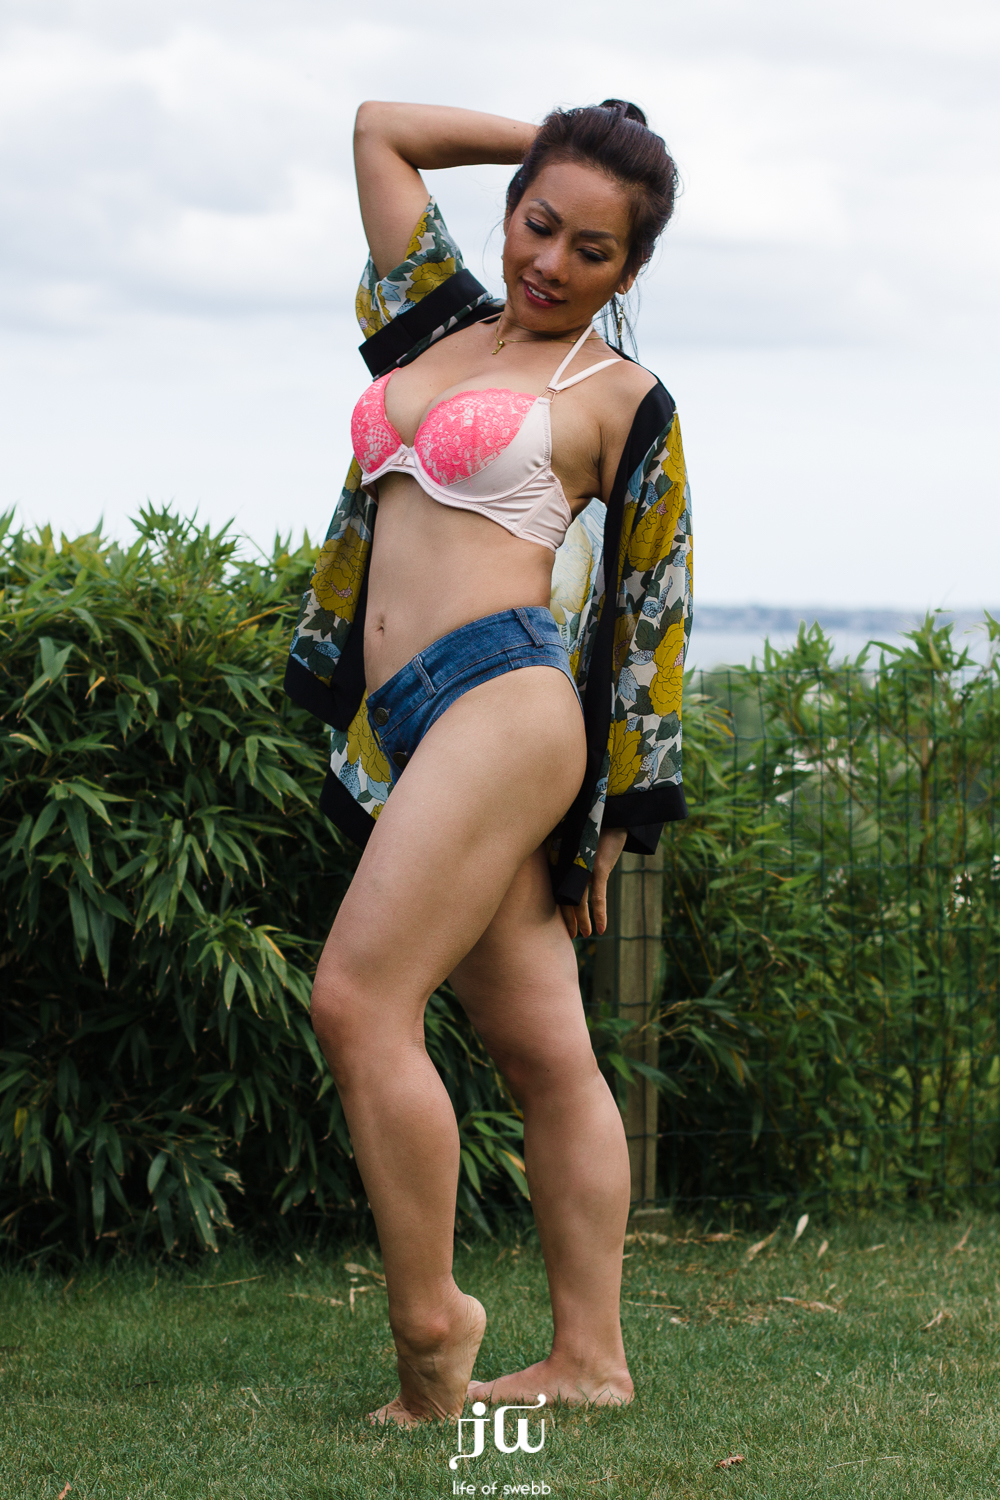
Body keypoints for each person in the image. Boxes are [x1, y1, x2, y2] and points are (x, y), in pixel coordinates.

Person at [284, 98, 692, 1426]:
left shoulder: (620, 398)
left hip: (508, 704)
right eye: (539, 222)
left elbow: (655, 610)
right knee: (544, 1050)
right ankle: (591, 1361)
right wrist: (565, 133)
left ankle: (432, 1329)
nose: (551, 261)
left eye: (594, 248)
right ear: (511, 207)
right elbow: (379, 134)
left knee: (356, 1001)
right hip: (402, 717)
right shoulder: (434, 320)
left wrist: (618, 820)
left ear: (628, 270)